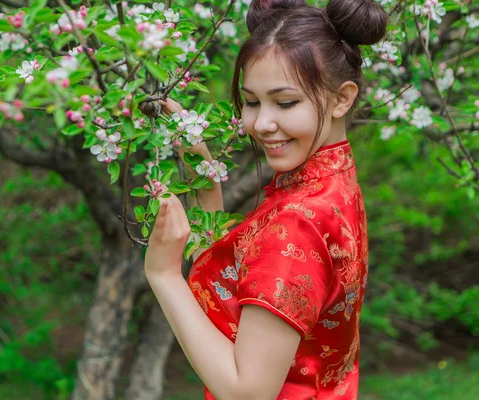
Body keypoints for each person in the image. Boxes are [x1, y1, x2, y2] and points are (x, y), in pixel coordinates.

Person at [144, 0, 388, 398]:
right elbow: (240, 281)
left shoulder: (297, 220)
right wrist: (206, 172)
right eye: (252, 102)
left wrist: (164, 275)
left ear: (342, 99)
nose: (261, 124)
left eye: (285, 102)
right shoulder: (333, 184)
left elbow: (248, 391)